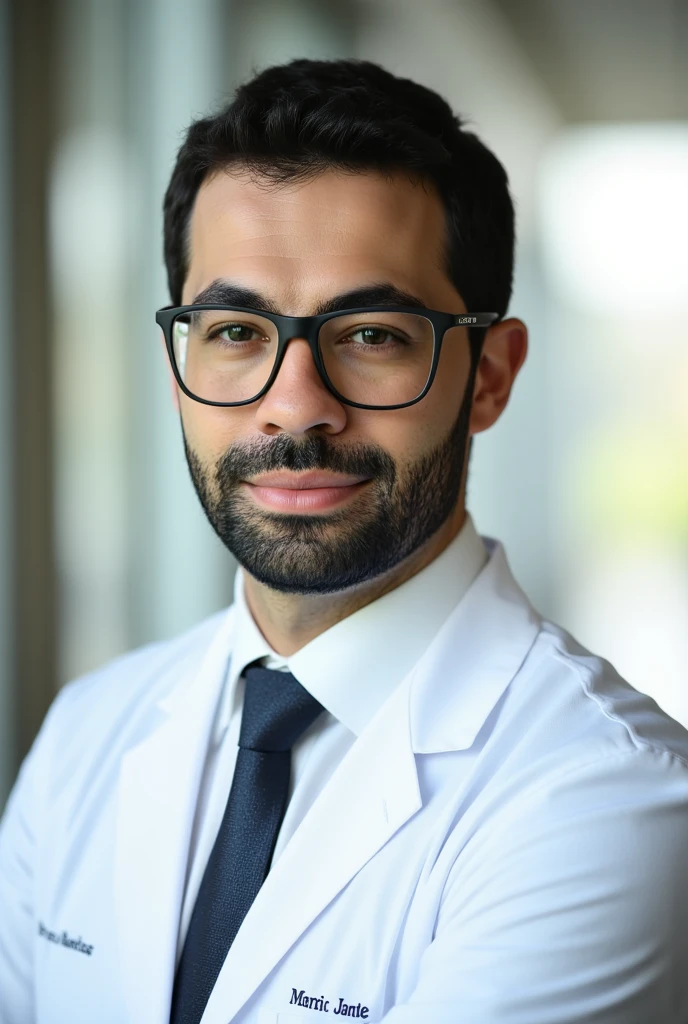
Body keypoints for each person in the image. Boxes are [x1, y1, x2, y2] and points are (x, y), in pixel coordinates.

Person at [1, 58, 687, 1024]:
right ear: (177, 363)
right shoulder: (87, 733)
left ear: (488, 375)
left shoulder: (610, 801)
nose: (294, 407)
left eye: (370, 334)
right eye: (236, 330)